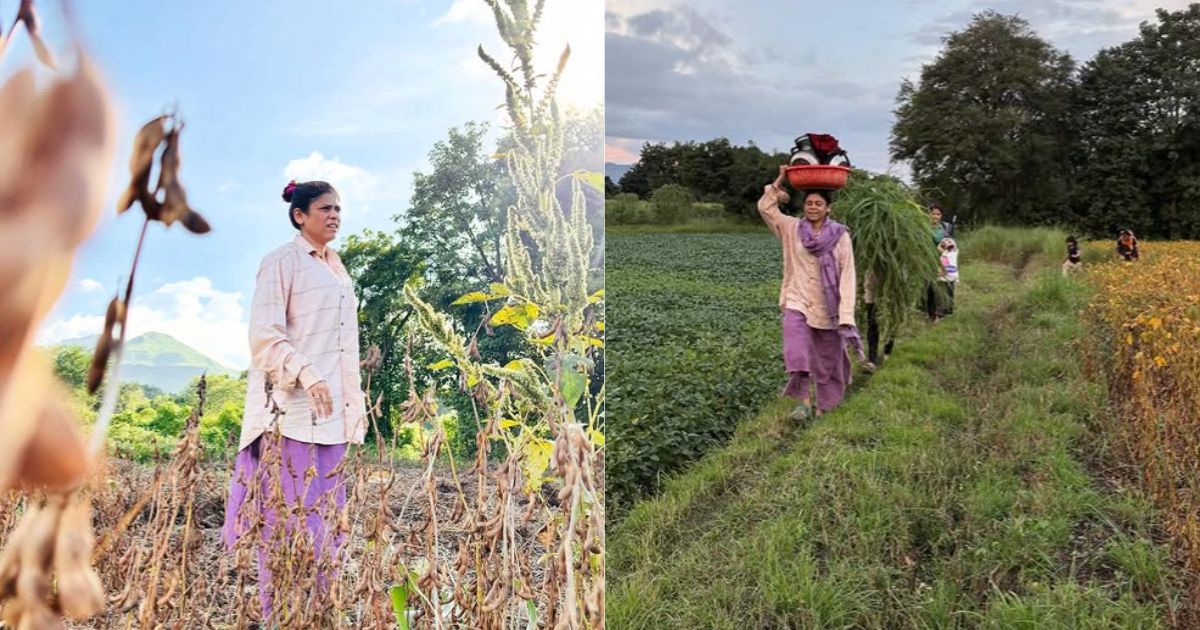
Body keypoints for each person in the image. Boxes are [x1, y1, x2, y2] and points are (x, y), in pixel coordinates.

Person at [222, 180, 367, 620]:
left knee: (328, 525)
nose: (335, 215)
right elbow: (265, 337)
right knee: (288, 525)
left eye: (339, 208)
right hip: (292, 417)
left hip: (334, 419)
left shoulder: (337, 269)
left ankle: (319, 612)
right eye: (325, 208)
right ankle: (278, 615)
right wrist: (306, 372)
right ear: (299, 215)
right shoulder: (280, 263)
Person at [757, 166, 864, 422]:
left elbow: (848, 274)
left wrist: (847, 314)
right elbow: (765, 208)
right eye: (808, 203)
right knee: (797, 350)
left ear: (828, 208)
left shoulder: (840, 236)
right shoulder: (791, 228)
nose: (812, 207)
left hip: (828, 306)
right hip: (797, 299)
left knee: (827, 360)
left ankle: (823, 408)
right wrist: (781, 178)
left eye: (818, 203)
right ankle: (803, 403)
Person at [863, 269, 894, 373]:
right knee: (872, 324)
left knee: (889, 322)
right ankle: (872, 360)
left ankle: (887, 351)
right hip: (871, 288)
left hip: (890, 287)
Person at [935, 237, 959, 321]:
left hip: (949, 276)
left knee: (947, 294)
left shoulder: (952, 252)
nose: (946, 242)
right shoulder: (945, 253)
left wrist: (943, 272)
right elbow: (939, 248)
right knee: (944, 294)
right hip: (946, 276)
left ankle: (944, 313)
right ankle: (942, 313)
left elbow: (942, 249)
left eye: (948, 241)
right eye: (944, 242)